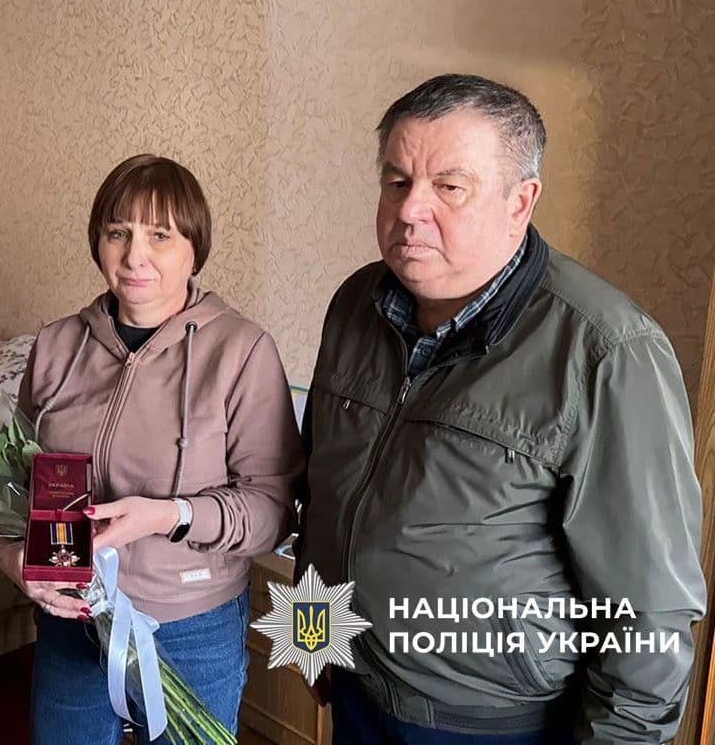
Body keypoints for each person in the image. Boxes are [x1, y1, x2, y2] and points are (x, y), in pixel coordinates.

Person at [295, 73, 706, 744]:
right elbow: (327, 495)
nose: (410, 210)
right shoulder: (355, 304)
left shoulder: (605, 350)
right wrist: (311, 638)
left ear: (521, 200)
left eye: (449, 187)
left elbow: (649, 614)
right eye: (397, 182)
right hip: (355, 690)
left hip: (495, 725)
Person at [0, 154, 304, 743]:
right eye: (118, 233)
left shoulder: (242, 352)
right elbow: (13, 484)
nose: (135, 255)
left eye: (160, 235)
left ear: (194, 249)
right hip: (73, 617)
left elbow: (272, 511)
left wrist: (168, 516)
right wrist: (12, 560)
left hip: (192, 625)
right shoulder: (56, 346)